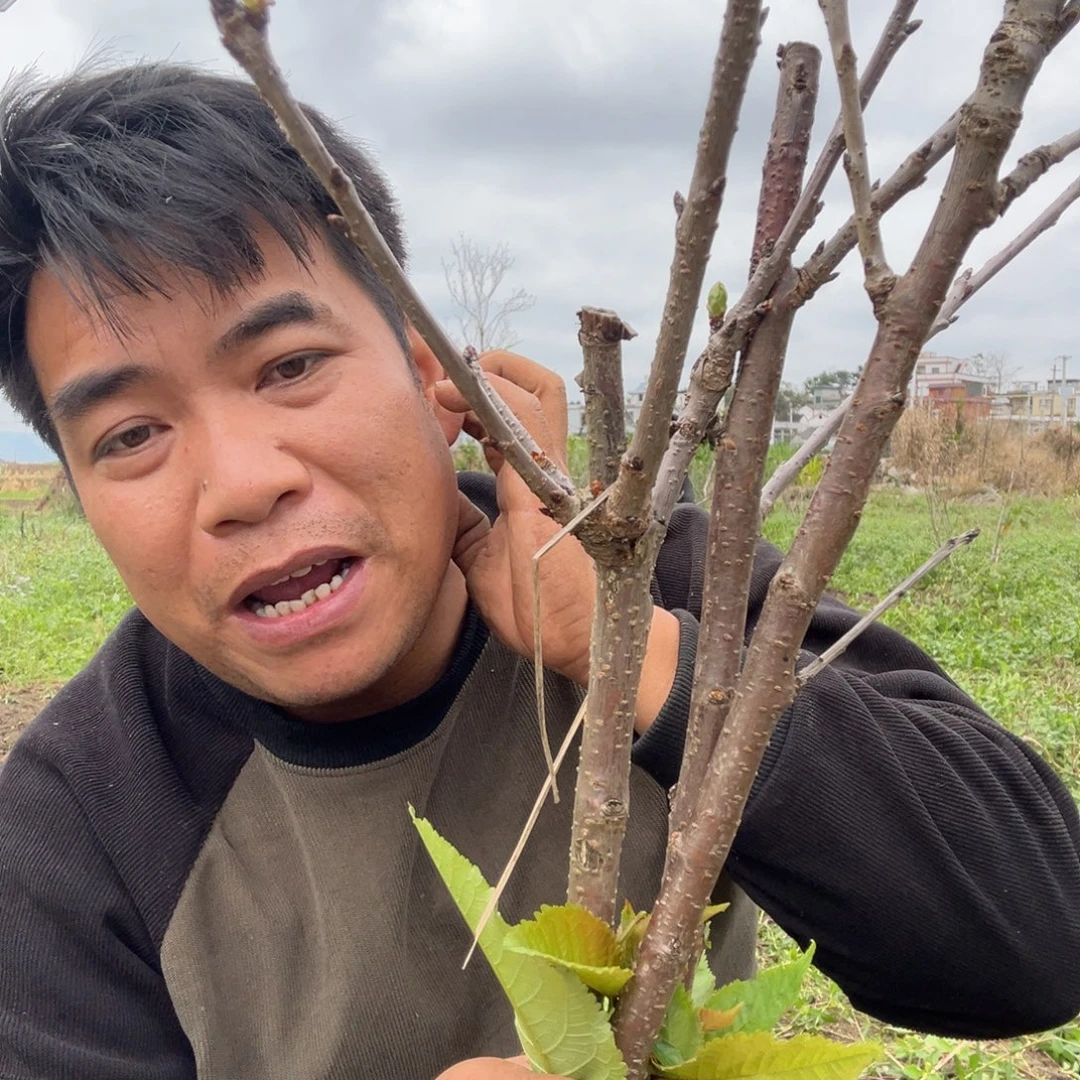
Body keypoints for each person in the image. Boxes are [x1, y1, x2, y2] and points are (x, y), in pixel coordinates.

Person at [0, 61, 1076, 1080]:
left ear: (435, 381)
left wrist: (622, 650)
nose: (240, 483)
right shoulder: (71, 826)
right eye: (130, 435)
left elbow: (1036, 938)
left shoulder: (656, 582)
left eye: (290, 366)